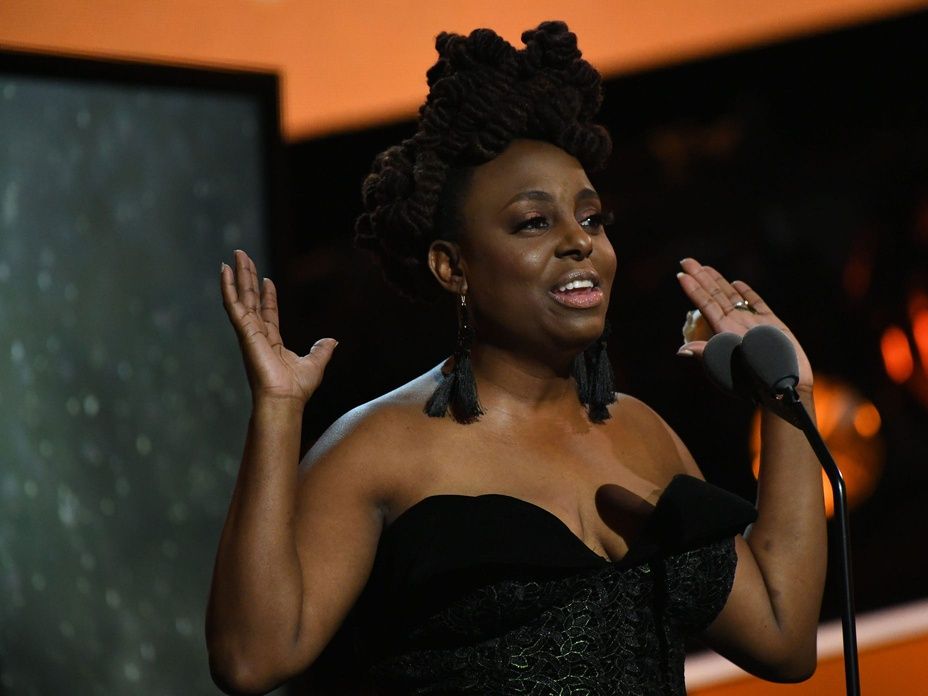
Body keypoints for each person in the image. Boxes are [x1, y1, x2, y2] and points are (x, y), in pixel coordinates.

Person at [206, 21, 826, 696]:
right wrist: (275, 411)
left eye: (591, 219)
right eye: (535, 222)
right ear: (451, 266)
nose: (578, 242)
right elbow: (251, 658)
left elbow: (783, 636)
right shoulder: (379, 448)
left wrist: (788, 400)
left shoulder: (644, 436)